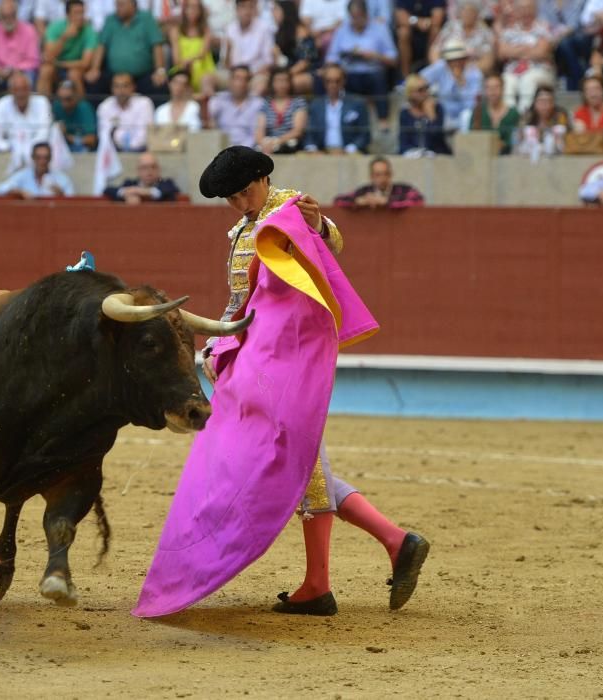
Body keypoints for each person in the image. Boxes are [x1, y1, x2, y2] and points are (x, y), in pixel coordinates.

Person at [170, 145, 430, 617]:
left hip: (284, 363)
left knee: (297, 465)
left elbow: (326, 250)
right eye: (230, 197)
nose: (238, 203)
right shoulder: (245, 228)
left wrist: (321, 227)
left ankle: (322, 583)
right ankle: (394, 542)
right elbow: (240, 301)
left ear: (263, 179)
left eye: (244, 192)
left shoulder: (289, 208)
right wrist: (217, 347)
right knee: (297, 463)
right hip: (258, 362)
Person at [325, 0, 397, 131]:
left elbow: (393, 58)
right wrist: (344, 57)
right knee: (333, 78)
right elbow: (331, 56)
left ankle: (383, 119)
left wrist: (375, 56)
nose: (357, 20)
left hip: (373, 71)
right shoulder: (341, 30)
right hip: (348, 72)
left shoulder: (380, 28)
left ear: (366, 14)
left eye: (359, 16)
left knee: (378, 78)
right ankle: (346, 121)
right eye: (354, 17)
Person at [88, 0, 167, 97]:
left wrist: (159, 71)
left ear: (133, 5)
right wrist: (95, 69)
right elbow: (101, 46)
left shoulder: (147, 19)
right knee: (94, 84)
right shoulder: (110, 20)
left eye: (121, 5)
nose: (118, 8)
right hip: (113, 74)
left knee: (159, 85)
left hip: (142, 75)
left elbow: (156, 45)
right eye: (116, 5)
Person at [0, 70, 54, 171]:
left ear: (30, 89)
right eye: (16, 90)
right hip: (10, 147)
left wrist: (29, 149)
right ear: (10, 91)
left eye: (24, 89)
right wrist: (5, 147)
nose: (20, 94)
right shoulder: (2, 103)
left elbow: (44, 131)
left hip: (37, 149)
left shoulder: (42, 102)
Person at [495, 0, 555, 112]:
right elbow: (502, 53)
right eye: (522, 8)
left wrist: (515, 51)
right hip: (512, 71)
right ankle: (512, 116)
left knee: (528, 79)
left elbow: (541, 52)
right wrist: (529, 49)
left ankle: (524, 115)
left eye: (529, 8)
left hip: (539, 70)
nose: (525, 12)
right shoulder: (509, 30)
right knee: (506, 81)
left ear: (535, 10)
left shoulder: (543, 27)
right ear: (517, 11)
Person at [304, 62, 370, 153]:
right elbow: (309, 133)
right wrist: (312, 149)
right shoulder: (316, 104)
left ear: (344, 81)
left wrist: (348, 150)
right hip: (322, 153)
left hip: (350, 153)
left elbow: (365, 134)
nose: (333, 85)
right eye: (329, 81)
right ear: (324, 82)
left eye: (337, 81)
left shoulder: (357, 103)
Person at [419, 37, 483, 132]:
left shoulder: (475, 74)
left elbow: (471, 104)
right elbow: (419, 79)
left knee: (466, 115)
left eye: (459, 59)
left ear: (465, 59)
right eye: (451, 60)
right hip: (443, 113)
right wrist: (427, 97)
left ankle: (464, 143)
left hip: (465, 115)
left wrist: (460, 82)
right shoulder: (441, 66)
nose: (455, 63)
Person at [39, 0, 98, 96]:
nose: (80, 17)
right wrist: (64, 37)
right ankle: (44, 106)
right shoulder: (54, 28)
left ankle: (81, 106)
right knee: (45, 70)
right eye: (76, 13)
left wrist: (60, 64)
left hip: (75, 67)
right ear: (67, 15)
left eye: (82, 13)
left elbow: (85, 63)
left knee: (73, 74)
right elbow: (48, 56)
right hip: (56, 68)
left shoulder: (89, 31)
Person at [0, 0, 40, 95]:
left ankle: (27, 107)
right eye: (4, 16)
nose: (8, 19)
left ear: (16, 15)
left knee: (30, 74)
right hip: (0, 73)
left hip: (21, 71)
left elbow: (33, 61)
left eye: (11, 15)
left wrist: (15, 69)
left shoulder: (29, 30)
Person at [428, 0, 494, 75]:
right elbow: (435, 50)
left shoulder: (485, 32)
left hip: (472, 73)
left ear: (477, 14)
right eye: (465, 11)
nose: (468, 14)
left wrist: (466, 72)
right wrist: (443, 69)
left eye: (471, 12)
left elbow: (488, 60)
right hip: (446, 70)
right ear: (460, 13)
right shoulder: (450, 27)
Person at [223, 0, 274, 95]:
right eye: (243, 7)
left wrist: (249, 75)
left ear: (254, 9)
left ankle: (249, 109)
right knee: (208, 78)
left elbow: (268, 62)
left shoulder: (264, 28)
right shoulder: (230, 29)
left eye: (250, 7)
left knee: (261, 84)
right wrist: (229, 51)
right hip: (233, 74)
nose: (247, 11)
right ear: (237, 9)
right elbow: (226, 65)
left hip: (255, 74)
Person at [334, 155, 426, 208]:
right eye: (378, 175)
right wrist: (358, 201)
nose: (382, 178)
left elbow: (419, 200)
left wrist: (387, 201)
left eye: (385, 174)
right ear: (371, 176)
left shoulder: (403, 189)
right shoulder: (364, 191)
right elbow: (338, 201)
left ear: (391, 174)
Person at [207, 63, 265, 147]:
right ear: (230, 81)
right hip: (220, 150)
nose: (241, 83)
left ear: (249, 83)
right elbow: (210, 127)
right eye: (237, 78)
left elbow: (256, 135)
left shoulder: (258, 104)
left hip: (248, 151)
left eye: (245, 79)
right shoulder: (218, 100)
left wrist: (239, 151)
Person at [96, 71, 154, 151]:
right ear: (112, 89)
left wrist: (129, 147)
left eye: (125, 86)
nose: (121, 90)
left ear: (133, 87)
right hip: (114, 150)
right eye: (117, 86)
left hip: (140, 150)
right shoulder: (105, 106)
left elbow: (144, 134)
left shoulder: (144, 103)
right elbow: (104, 134)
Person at [254, 65, 307, 154]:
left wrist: (278, 141)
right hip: (269, 144)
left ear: (290, 83)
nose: (282, 84)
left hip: (288, 144)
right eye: (278, 80)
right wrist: (264, 144)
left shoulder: (298, 102)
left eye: (285, 80)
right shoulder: (266, 103)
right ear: (272, 83)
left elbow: (297, 131)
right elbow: (259, 130)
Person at [168, 0, 216, 96]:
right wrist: (185, 64)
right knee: (180, 77)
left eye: (196, 8)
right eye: (190, 7)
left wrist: (190, 61)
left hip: (203, 67)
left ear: (200, 11)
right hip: (181, 66)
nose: (193, 11)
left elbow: (202, 54)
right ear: (184, 10)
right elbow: (176, 59)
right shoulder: (175, 30)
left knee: (206, 79)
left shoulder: (206, 30)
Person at [0, 140, 75, 196]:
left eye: (46, 157)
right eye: (38, 157)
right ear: (33, 158)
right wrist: (19, 192)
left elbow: (72, 200)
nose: (42, 162)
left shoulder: (61, 178)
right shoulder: (23, 175)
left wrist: (61, 195)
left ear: (50, 158)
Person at [398, 73, 451, 155]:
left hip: (437, 155)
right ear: (410, 93)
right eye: (420, 90)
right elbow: (403, 142)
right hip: (413, 156)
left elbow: (438, 138)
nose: (425, 93)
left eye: (427, 88)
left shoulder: (437, 108)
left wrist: (431, 115)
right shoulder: (405, 113)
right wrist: (414, 152)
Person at [272, 0, 317, 96]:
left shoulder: (301, 32)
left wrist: (286, 75)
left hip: (308, 72)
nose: (273, 13)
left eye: (276, 10)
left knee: (286, 83)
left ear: (286, 11)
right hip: (288, 70)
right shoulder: (279, 33)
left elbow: (305, 62)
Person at [470, 72, 521, 154]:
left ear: (503, 89)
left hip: (507, 158)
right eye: (489, 88)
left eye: (496, 87)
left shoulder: (513, 114)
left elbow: (513, 141)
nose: (492, 92)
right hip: (481, 156)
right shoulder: (478, 112)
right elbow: (472, 137)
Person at [394, 0, 445, 77]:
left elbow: (438, 19)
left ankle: (432, 75)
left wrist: (427, 22)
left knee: (435, 31)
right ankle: (405, 77)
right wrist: (417, 22)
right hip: (412, 35)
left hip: (429, 34)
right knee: (403, 32)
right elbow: (400, 17)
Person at [104, 150, 180, 202]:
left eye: (153, 167)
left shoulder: (167, 184)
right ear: (138, 170)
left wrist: (140, 191)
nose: (149, 171)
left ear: (159, 170)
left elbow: (166, 191)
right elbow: (108, 190)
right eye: (144, 167)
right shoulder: (130, 183)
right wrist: (126, 194)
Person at [516, 84, 569, 157]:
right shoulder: (526, 117)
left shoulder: (560, 116)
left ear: (553, 103)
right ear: (535, 103)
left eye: (548, 101)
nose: (545, 104)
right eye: (541, 101)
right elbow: (518, 144)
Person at [572, 74, 603, 151]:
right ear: (584, 94)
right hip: (586, 155)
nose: (593, 94)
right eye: (588, 90)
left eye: (596, 89)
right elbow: (579, 141)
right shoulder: (580, 111)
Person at [52, 78, 97, 151]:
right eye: (61, 99)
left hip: (80, 147)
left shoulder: (84, 108)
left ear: (76, 96)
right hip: (61, 146)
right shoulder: (57, 106)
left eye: (68, 99)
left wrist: (67, 137)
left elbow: (91, 140)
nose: (64, 104)